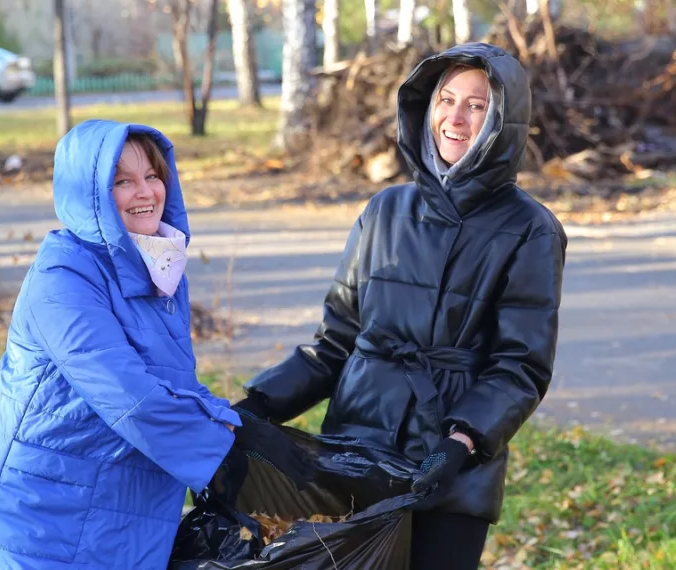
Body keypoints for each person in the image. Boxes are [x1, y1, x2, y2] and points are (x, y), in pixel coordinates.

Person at [232, 43, 567, 569]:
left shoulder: (531, 228)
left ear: (504, 120)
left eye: (477, 106)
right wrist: (255, 406)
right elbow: (335, 343)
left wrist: (462, 441)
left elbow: (521, 365)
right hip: (354, 451)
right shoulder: (385, 210)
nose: (456, 119)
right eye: (446, 100)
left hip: (452, 468)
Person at [0, 120, 311, 570]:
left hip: (117, 513)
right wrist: (232, 450)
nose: (145, 192)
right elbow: (129, 396)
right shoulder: (62, 279)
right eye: (122, 181)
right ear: (89, 194)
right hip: (43, 521)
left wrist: (242, 429)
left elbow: (174, 384)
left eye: (152, 176)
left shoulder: (156, 266)